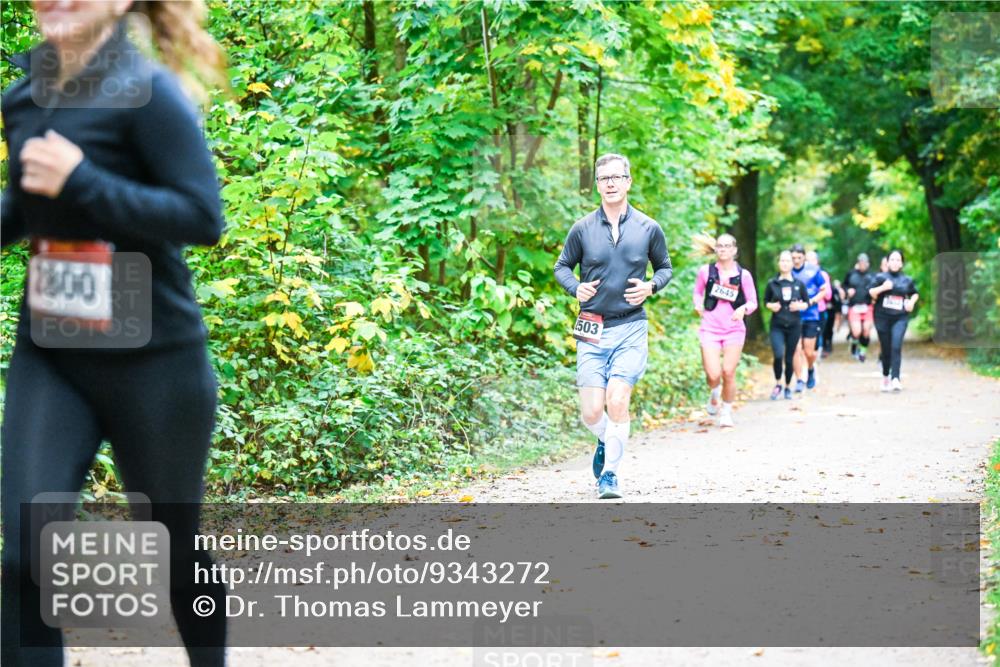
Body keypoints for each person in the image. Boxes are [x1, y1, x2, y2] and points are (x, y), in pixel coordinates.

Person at [1, 3, 228, 666]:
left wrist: (85, 181)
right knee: (25, 554)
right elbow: (28, 203)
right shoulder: (24, 94)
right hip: (54, 351)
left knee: (174, 549)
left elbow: (201, 215)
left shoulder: (149, 92)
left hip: (155, 361)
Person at [554, 153, 672, 499]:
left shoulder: (648, 228)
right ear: (597, 185)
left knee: (617, 400)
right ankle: (608, 440)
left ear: (628, 181)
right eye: (604, 178)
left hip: (631, 327)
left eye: (616, 177)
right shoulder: (583, 228)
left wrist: (651, 286)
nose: (610, 184)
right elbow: (562, 266)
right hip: (592, 329)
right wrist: (576, 288)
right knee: (592, 411)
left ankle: (610, 476)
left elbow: (665, 267)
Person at [691, 233, 758, 427]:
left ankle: (726, 413)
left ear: (735, 250)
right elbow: (697, 292)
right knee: (713, 374)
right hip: (710, 328)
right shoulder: (706, 271)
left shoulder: (743, 275)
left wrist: (743, 308)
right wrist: (697, 304)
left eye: (727, 246)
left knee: (728, 371)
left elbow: (753, 301)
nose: (723, 249)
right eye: (720, 246)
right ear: (715, 249)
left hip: (734, 329)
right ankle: (714, 392)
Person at [869, 250, 919, 392]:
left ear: (902, 263)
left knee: (896, 345)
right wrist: (883, 288)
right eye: (892, 259)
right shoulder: (880, 277)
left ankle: (895, 378)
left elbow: (914, 293)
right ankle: (886, 375)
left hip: (900, 317)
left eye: (898, 260)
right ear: (888, 262)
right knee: (886, 348)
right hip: (882, 317)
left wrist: (911, 302)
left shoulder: (907, 280)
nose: (895, 262)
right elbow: (871, 292)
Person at [763, 251, 809, 400]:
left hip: (794, 325)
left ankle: (788, 386)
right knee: (778, 355)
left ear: (792, 264)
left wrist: (800, 306)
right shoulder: (772, 283)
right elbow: (765, 302)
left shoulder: (798, 284)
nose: (784, 263)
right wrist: (771, 306)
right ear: (778, 263)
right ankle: (778, 384)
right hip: (777, 325)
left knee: (789, 358)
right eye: (782, 261)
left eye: (787, 261)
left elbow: (807, 303)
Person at [790, 244, 827, 393]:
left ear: (804, 257)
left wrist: (810, 302)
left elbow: (824, 290)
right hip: (792, 317)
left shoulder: (813, 270)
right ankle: (799, 379)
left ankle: (810, 369)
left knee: (808, 351)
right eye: (793, 258)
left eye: (799, 257)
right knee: (795, 349)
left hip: (811, 315)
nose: (796, 261)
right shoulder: (787, 271)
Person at [844, 253, 875, 362]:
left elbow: (876, 289)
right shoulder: (851, 274)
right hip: (854, 306)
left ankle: (862, 352)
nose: (863, 264)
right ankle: (854, 344)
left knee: (866, 330)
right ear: (858, 263)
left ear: (868, 263)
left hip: (867, 306)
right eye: (861, 262)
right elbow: (844, 286)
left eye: (865, 262)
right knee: (857, 332)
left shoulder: (872, 276)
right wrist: (847, 291)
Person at [806, 250, 833, 360]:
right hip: (804, 311)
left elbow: (828, 295)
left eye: (812, 260)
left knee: (817, 335)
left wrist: (818, 291)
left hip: (819, 310)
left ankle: (815, 357)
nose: (810, 263)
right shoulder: (799, 274)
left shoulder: (823, 275)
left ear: (817, 261)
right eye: (807, 260)